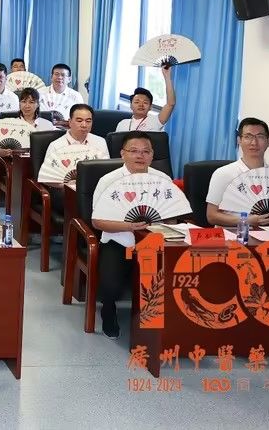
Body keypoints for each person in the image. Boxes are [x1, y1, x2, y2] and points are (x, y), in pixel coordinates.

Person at [91, 132, 181, 337]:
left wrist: (166, 224)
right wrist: (129, 226)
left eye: (145, 151)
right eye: (133, 151)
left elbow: (173, 215)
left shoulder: (163, 180)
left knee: (168, 280)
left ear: (152, 155)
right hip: (118, 241)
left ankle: (153, 328)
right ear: (122, 153)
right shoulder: (108, 181)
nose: (140, 156)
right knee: (111, 285)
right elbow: (97, 221)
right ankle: (108, 310)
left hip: (153, 242)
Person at [205, 117, 269, 228]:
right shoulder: (223, 174)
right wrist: (246, 220)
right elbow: (211, 216)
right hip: (232, 235)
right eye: (248, 137)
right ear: (239, 140)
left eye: (260, 136)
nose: (254, 142)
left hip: (267, 235)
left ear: (268, 141)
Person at [37, 104, 108, 189]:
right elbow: (47, 177)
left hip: (94, 189)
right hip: (64, 191)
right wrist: (69, 186)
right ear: (70, 122)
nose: (84, 125)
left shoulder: (100, 142)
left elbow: (106, 170)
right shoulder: (56, 145)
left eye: (88, 121)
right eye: (79, 121)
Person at [115, 65, 176, 132]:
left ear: (150, 107)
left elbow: (170, 104)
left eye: (145, 102)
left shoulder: (156, 121)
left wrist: (167, 76)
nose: (141, 105)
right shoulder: (123, 124)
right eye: (137, 102)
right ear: (131, 106)